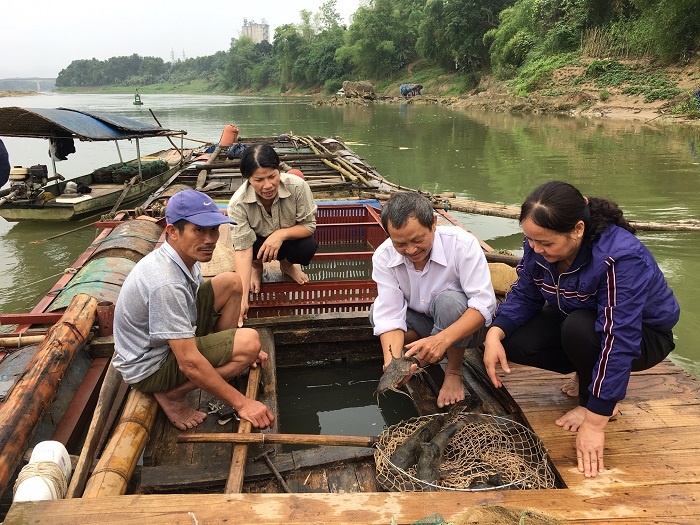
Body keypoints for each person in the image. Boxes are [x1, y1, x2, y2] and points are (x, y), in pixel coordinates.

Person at [483, 181, 679, 478]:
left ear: (577, 229)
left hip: (643, 336)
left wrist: (595, 420)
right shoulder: (538, 243)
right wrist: (495, 333)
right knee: (514, 339)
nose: (536, 249)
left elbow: (618, 338)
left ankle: (597, 400)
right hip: (579, 317)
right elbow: (526, 292)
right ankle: (585, 373)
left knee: (578, 329)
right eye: (531, 240)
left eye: (546, 244)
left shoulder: (620, 258)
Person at [113, 189, 274, 431]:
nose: (210, 239)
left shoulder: (184, 259)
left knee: (231, 282)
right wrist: (243, 404)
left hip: (165, 343)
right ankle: (173, 395)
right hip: (150, 366)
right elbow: (188, 362)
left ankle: (226, 350)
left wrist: (228, 346)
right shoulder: (166, 282)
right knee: (250, 342)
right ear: (172, 231)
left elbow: (195, 305)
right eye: (199, 230)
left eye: (213, 230)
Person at [371, 192, 497, 408]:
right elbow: (390, 313)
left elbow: (484, 304)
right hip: (425, 320)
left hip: (463, 327)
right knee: (376, 311)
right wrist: (392, 364)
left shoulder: (461, 244)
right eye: (400, 244)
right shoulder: (384, 256)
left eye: (418, 240)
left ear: (434, 224)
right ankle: (426, 349)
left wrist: (442, 339)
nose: (411, 250)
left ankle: (453, 370)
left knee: (449, 303)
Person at [227, 143, 318, 327]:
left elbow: (309, 226)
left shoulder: (298, 186)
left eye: (272, 176)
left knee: (307, 246)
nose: (267, 185)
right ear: (248, 179)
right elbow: (243, 250)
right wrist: (242, 297)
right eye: (259, 180)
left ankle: (287, 265)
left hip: (288, 238)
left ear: (278, 171)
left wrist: (280, 234)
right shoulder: (238, 203)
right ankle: (257, 267)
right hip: (256, 243)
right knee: (247, 250)